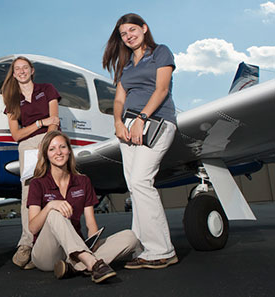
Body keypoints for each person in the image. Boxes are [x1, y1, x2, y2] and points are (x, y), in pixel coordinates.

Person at [102, 13, 179, 269]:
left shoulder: (160, 53)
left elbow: (162, 89)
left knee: (140, 181)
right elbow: (119, 100)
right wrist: (117, 123)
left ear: (144, 29)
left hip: (155, 122)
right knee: (134, 188)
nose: (128, 36)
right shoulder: (127, 66)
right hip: (128, 129)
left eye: (133, 30)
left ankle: (162, 250)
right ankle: (142, 248)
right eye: (124, 34)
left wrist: (141, 118)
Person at [27, 131, 139, 283]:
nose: (58, 152)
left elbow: (90, 223)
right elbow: (33, 228)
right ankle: (92, 264)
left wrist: (94, 241)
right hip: (47, 254)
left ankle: (75, 267)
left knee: (130, 237)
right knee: (54, 213)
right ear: (46, 154)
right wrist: (50, 206)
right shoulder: (37, 183)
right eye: (52, 149)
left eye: (62, 147)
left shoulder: (83, 181)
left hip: (74, 251)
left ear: (69, 151)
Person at [0, 56, 61, 269]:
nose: (22, 71)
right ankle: (27, 243)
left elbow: (55, 120)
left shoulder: (48, 89)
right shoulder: (12, 99)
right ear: (14, 74)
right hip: (26, 146)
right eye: (18, 69)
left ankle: (49, 246)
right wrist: (40, 123)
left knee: (53, 191)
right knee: (30, 195)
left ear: (32, 70)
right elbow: (17, 134)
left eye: (25, 67)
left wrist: (48, 146)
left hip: (49, 142)